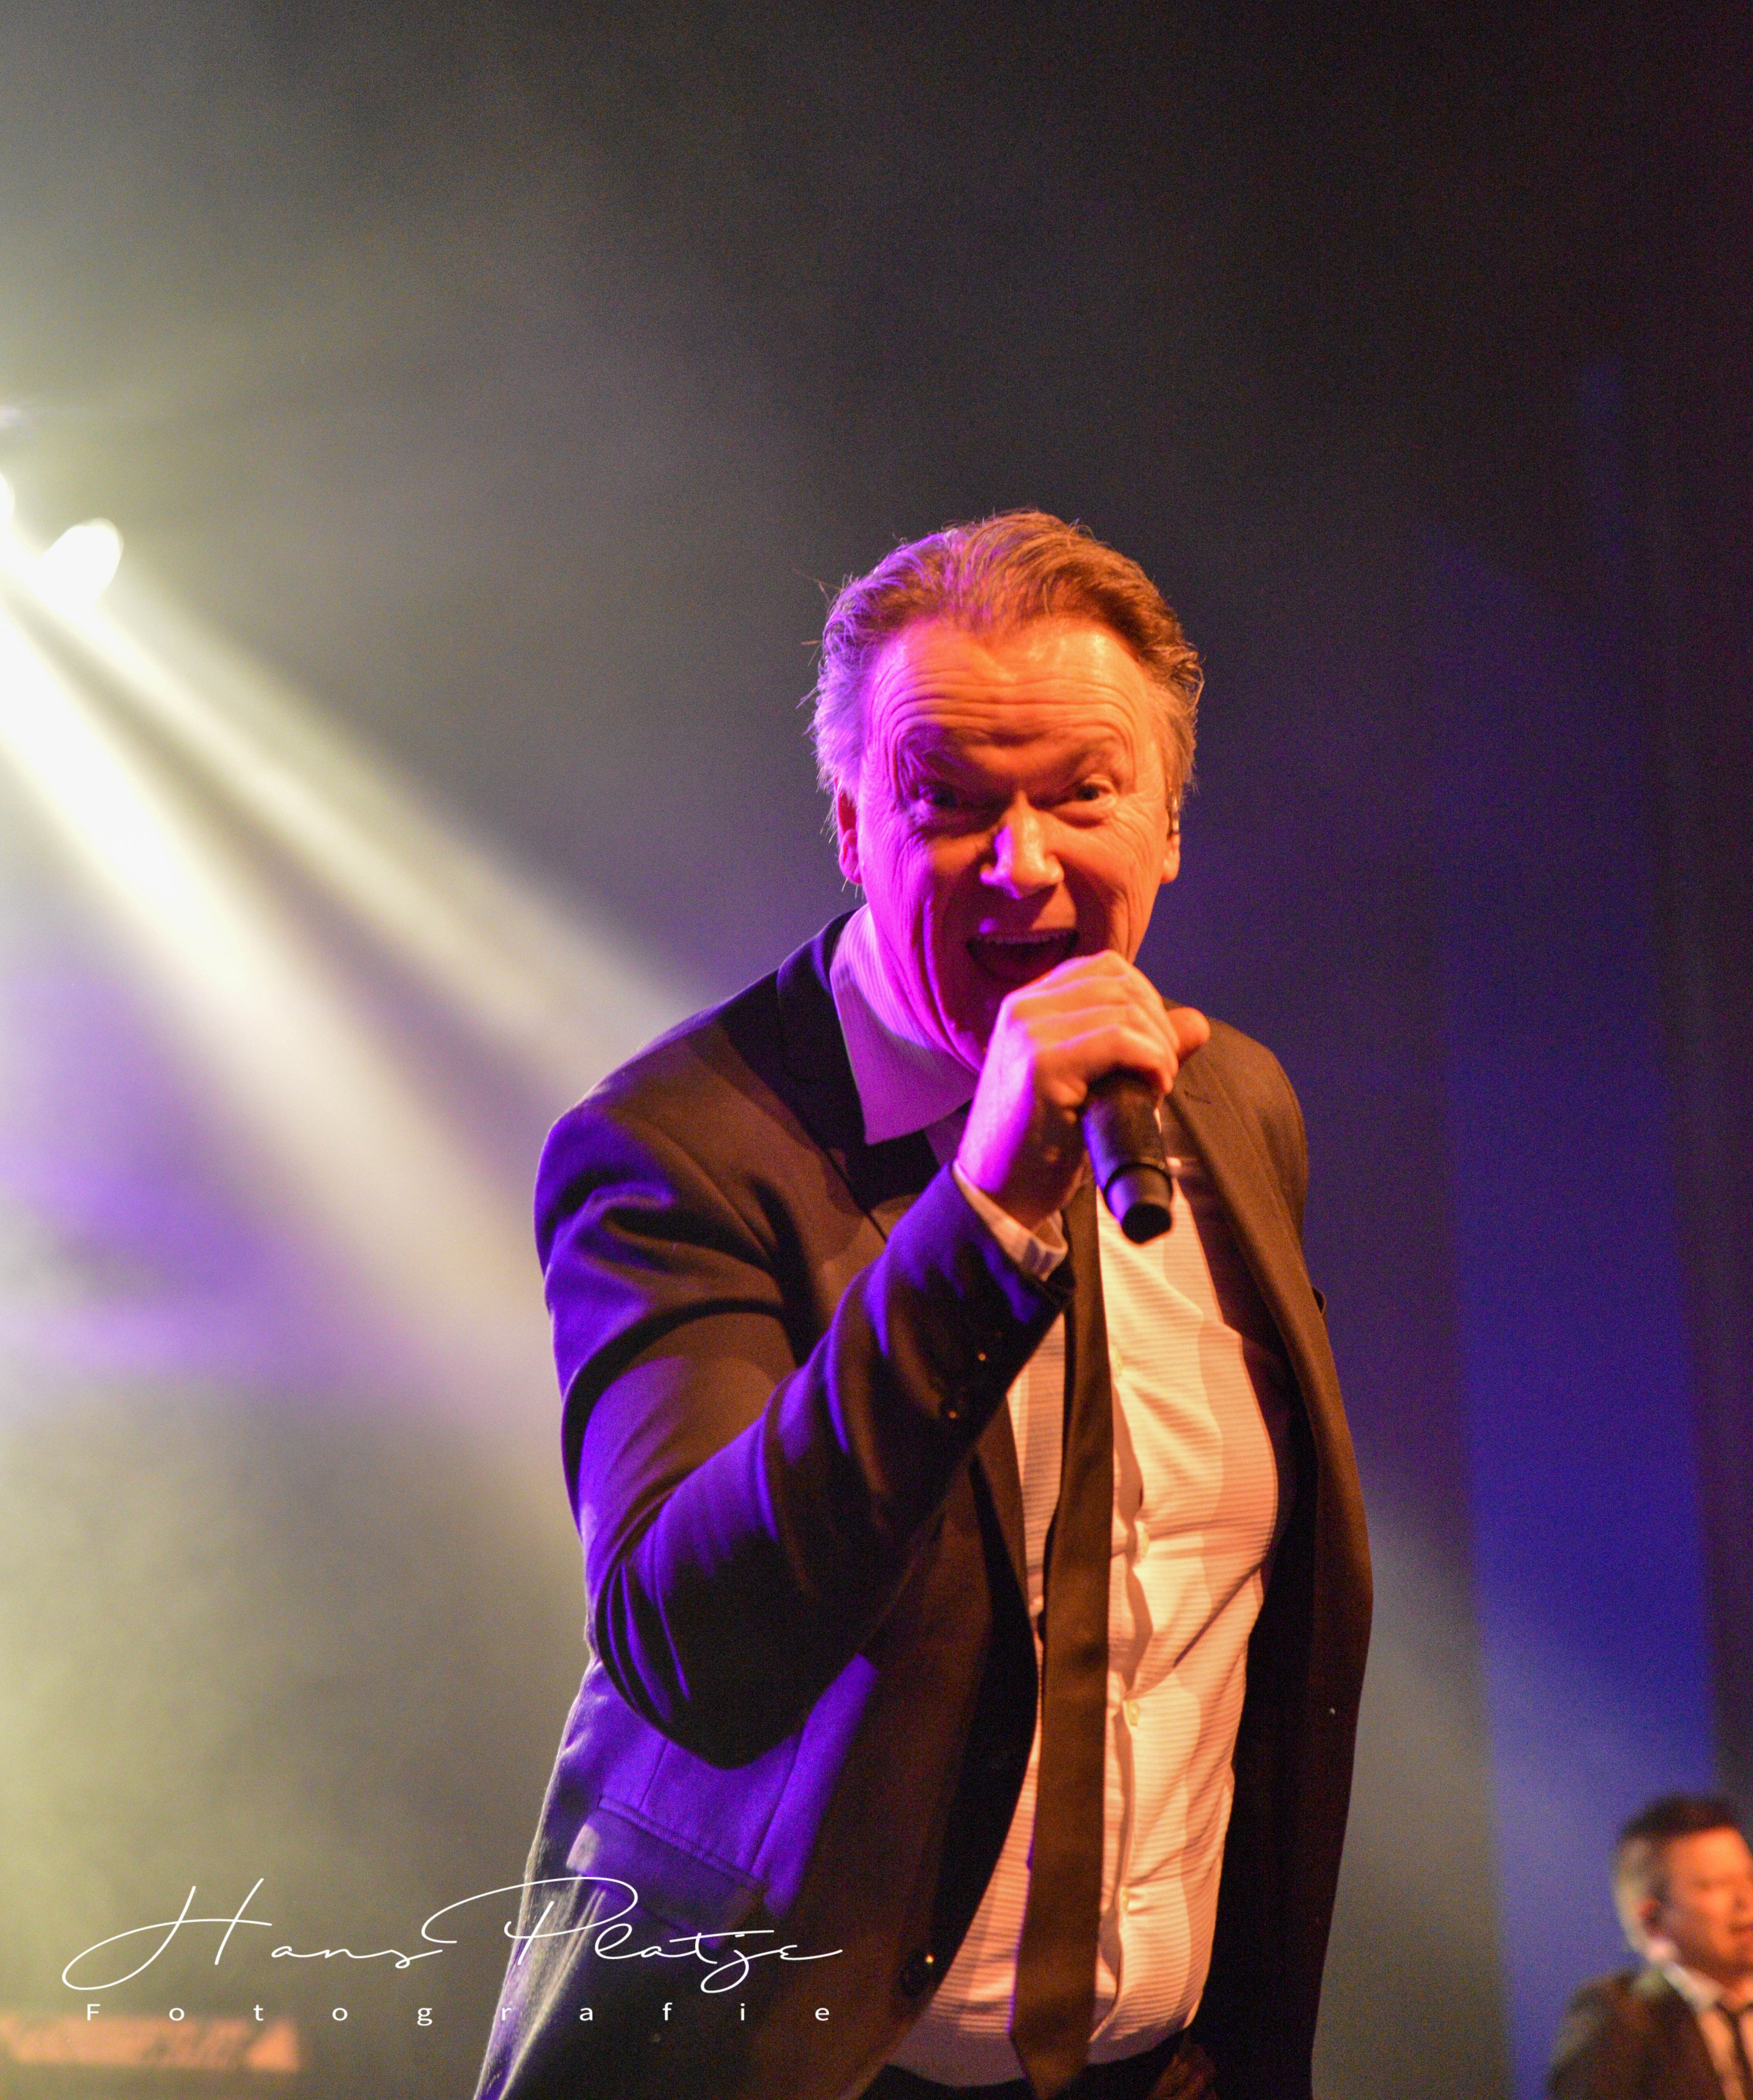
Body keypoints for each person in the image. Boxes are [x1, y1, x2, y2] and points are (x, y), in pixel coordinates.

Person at [473, 512, 1369, 2100]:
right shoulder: (677, 1150)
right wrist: (984, 1212)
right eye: (945, 798)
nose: (1021, 861)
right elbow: (695, 1647)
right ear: (849, 823)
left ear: (1168, 822)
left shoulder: (1234, 1104)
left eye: (1083, 792)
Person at [1549, 1796, 1753, 2100]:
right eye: (1715, 1884)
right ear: (1652, 1919)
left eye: (1749, 1877)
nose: (1745, 1900)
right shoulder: (1620, 2021)